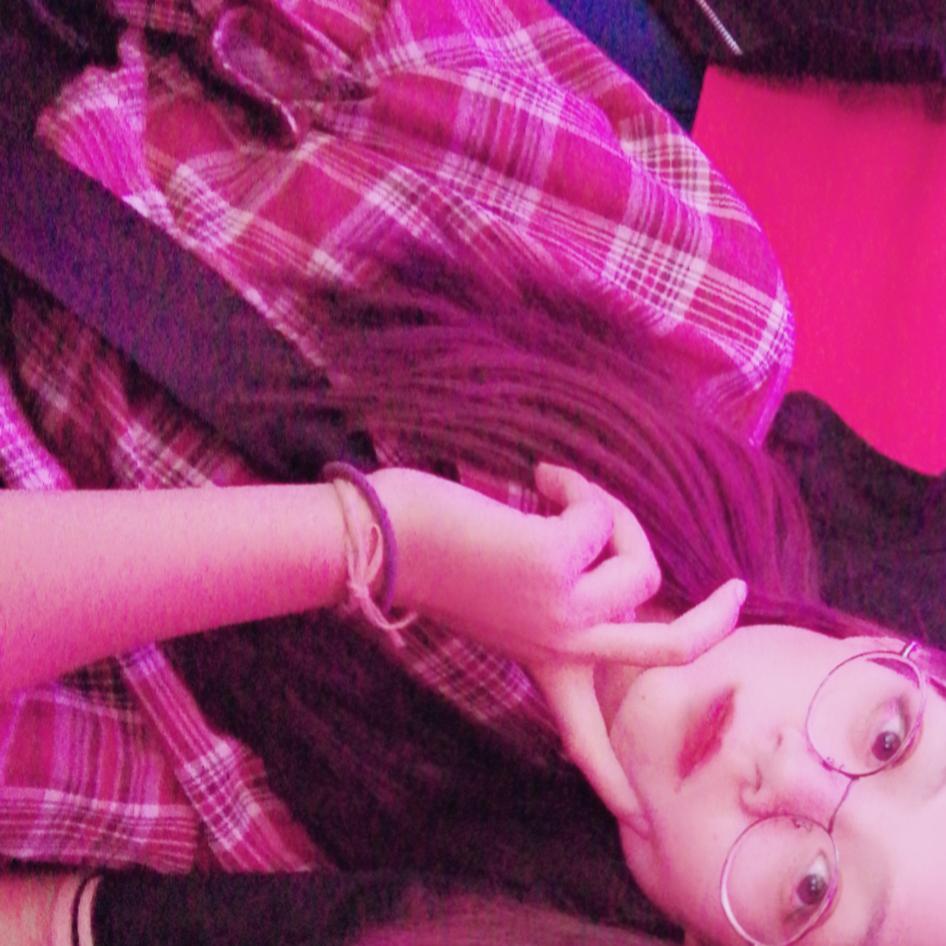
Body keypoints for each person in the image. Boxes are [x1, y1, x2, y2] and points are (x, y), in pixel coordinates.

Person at [7, 0, 928, 945]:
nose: (792, 775)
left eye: (811, 889)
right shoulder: (707, 322)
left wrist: (371, 542)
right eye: (889, 737)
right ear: (891, 647)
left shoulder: (339, 836)